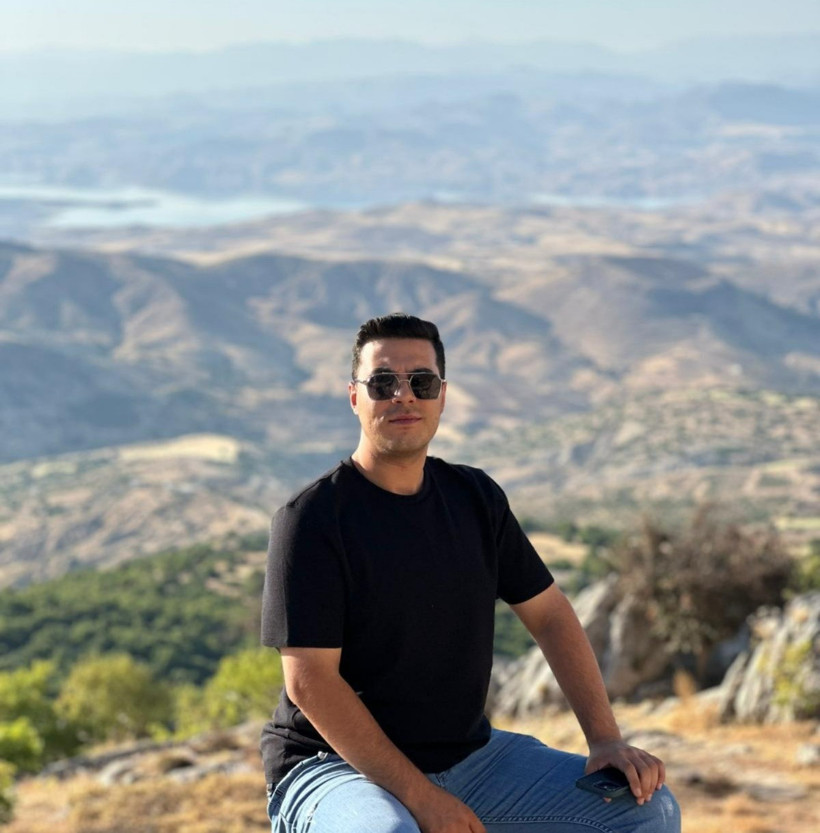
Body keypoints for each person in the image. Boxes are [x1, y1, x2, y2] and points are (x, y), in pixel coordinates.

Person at [260, 313, 680, 833]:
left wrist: (605, 739)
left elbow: (550, 615)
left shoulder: (475, 497)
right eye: (383, 383)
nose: (403, 395)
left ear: (442, 395)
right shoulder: (311, 519)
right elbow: (309, 681)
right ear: (354, 397)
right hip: (334, 767)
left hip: (470, 760)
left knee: (649, 811)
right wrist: (423, 799)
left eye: (421, 382)